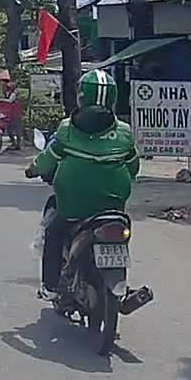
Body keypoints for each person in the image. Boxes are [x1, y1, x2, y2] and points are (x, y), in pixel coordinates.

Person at [25, 69, 139, 301]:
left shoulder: (67, 129)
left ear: (81, 96)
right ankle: (122, 287)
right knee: (120, 236)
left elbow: (47, 159)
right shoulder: (124, 132)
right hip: (113, 205)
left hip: (73, 206)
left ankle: (50, 286)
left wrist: (33, 169)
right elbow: (133, 166)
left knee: (54, 232)